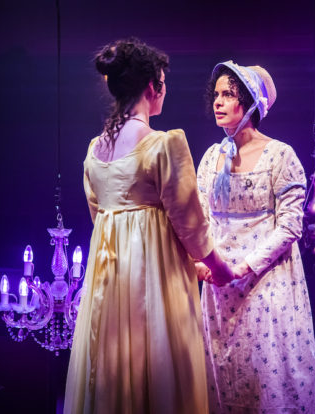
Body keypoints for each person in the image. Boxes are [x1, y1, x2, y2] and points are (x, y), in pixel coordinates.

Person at [64, 38, 233, 414]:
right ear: (152, 88)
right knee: (158, 368)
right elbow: (190, 225)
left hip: (108, 283)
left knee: (111, 369)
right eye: (163, 83)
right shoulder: (162, 145)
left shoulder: (95, 151)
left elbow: (101, 217)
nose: (164, 91)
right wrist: (220, 269)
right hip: (153, 283)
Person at [196, 61, 315, 413]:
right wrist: (202, 261)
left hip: (265, 279)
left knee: (266, 373)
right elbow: (201, 217)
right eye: (217, 94)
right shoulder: (212, 157)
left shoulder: (280, 155)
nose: (218, 102)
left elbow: (289, 226)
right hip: (218, 282)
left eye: (228, 95)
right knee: (223, 374)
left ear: (251, 102)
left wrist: (242, 267)